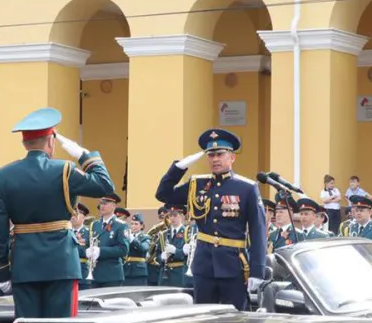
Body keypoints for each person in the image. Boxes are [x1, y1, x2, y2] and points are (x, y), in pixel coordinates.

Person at [0, 107, 116, 318]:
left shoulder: (4, 175)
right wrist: (86, 156)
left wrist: (1, 268)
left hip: (24, 262)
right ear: (50, 141)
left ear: (24, 143)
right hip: (61, 261)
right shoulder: (64, 169)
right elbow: (104, 186)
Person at [155, 129, 265, 311]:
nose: (215, 159)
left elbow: (258, 230)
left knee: (235, 320)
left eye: (220, 154)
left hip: (233, 265)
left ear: (232, 158)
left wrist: (257, 271)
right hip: (204, 265)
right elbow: (163, 194)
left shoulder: (246, 188)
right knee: (203, 318)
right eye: (211, 155)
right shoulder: (196, 184)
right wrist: (178, 168)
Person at [87, 193, 129, 288]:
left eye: (106, 203)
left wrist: (101, 251)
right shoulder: (95, 224)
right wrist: (88, 250)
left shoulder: (121, 225)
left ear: (114, 206)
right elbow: (89, 243)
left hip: (112, 274)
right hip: (95, 273)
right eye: (101, 203)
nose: (102, 206)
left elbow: (123, 249)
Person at [120, 209, 149, 286]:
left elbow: (143, 248)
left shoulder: (146, 237)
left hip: (139, 271)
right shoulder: (127, 237)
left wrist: (132, 239)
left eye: (136, 224)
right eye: (132, 224)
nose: (133, 226)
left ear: (142, 226)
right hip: (126, 270)